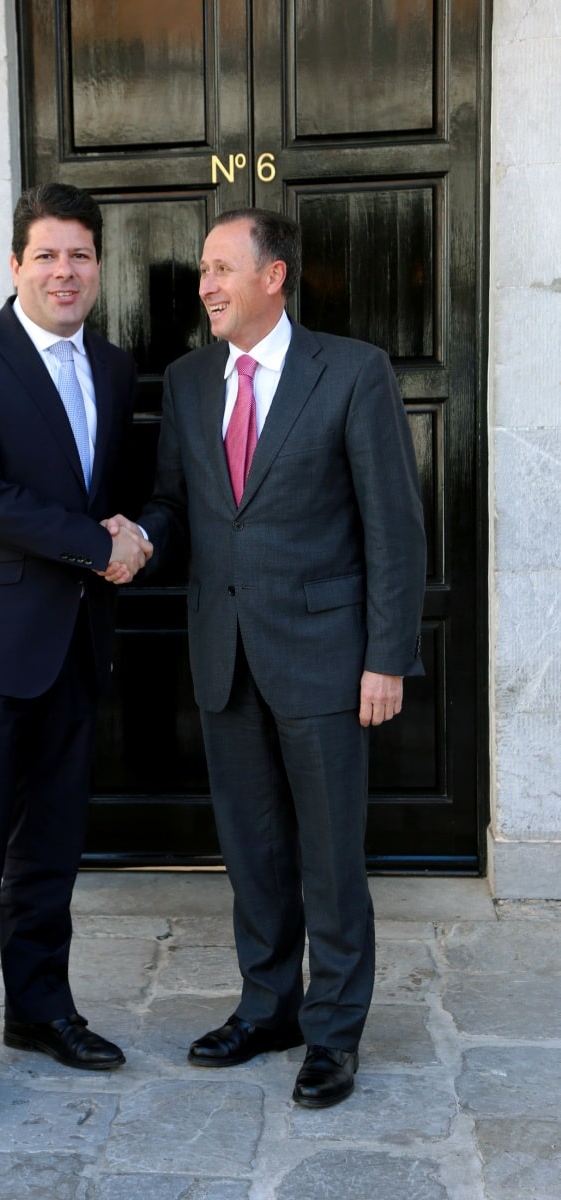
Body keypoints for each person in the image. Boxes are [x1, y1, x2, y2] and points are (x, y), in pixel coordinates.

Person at [107, 208, 426, 1108]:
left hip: (326, 657)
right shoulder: (189, 380)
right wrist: (141, 536)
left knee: (330, 857)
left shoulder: (352, 371)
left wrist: (387, 657)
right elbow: (177, 502)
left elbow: (394, 528)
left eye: (221, 268)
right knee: (252, 852)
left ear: (273, 276)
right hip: (225, 651)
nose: (204, 285)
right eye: (204, 270)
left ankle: (334, 1032)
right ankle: (267, 1008)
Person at [0, 183, 151, 1114]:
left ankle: (41, 1010)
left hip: (73, 644)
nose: (63, 271)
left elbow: (115, 491)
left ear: (99, 267)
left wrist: (137, 535)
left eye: (79, 255)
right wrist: (98, 545)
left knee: (49, 848)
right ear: (16, 265)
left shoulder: (115, 368)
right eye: (46, 254)